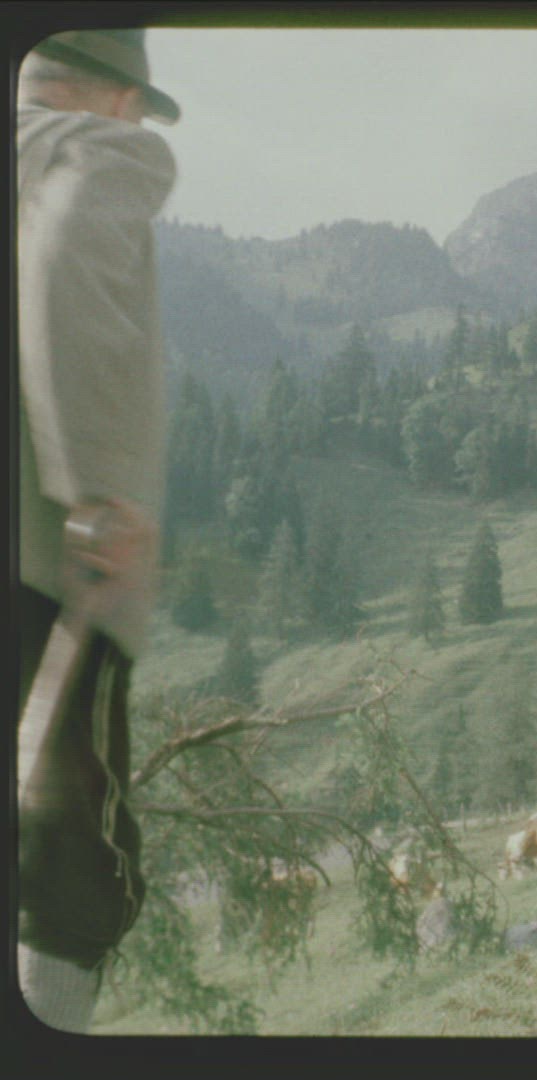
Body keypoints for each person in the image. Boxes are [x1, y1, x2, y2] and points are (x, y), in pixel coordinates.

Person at [15, 28, 180, 1033]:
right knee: (76, 874)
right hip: (45, 576)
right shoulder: (88, 147)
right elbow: (73, 236)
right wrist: (102, 492)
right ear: (119, 95)